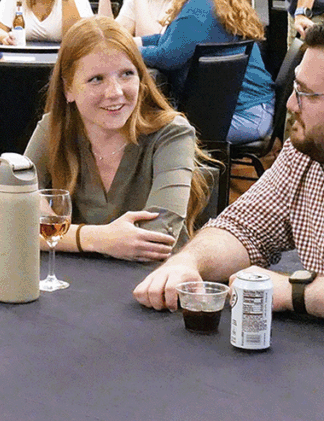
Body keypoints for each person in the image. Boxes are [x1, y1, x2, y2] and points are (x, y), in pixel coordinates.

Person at [135, 9, 324, 333]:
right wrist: (190, 262)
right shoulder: (313, 147)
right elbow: (245, 227)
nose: (292, 105)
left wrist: (296, 292)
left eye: (306, 93)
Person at [23, 16, 210, 262]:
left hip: (150, 284)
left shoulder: (172, 133)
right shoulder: (54, 127)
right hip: (74, 284)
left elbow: (156, 240)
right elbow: (7, 223)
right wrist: (99, 238)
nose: (115, 92)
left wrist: (52, 230)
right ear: (68, 89)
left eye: (126, 74)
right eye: (96, 79)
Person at [139, 0, 275, 144]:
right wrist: (136, 42)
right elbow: (173, 39)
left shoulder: (200, 7)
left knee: (152, 132)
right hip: (254, 111)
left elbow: (169, 57)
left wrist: (127, 51)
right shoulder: (212, 0)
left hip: (242, 116)